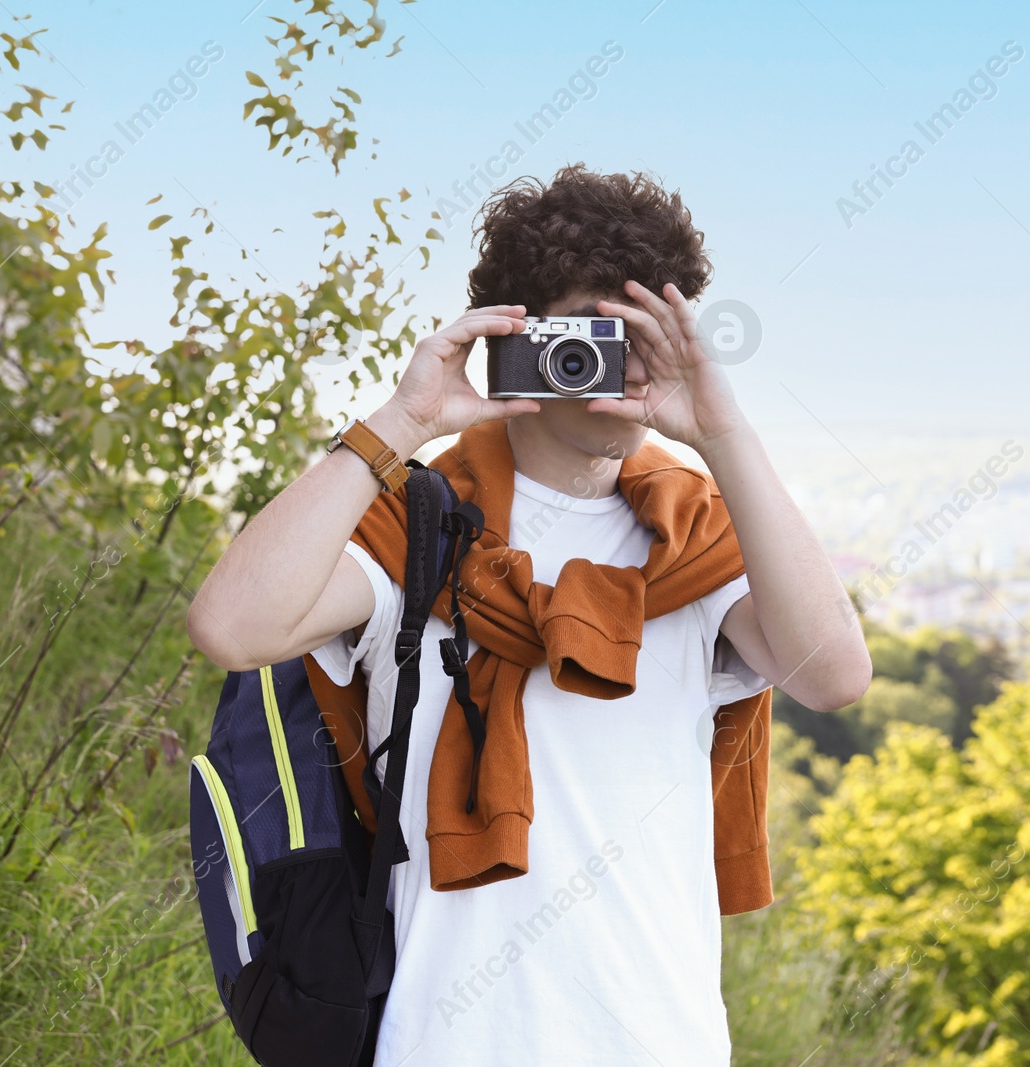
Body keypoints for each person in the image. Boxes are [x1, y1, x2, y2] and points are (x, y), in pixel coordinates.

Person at [187, 163, 871, 1066]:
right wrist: (403, 419)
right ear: (516, 333)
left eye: (642, 336)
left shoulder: (696, 539)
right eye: (590, 334)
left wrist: (721, 432)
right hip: (443, 1040)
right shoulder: (420, 524)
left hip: (662, 1039)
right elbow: (231, 628)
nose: (615, 364)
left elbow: (834, 674)